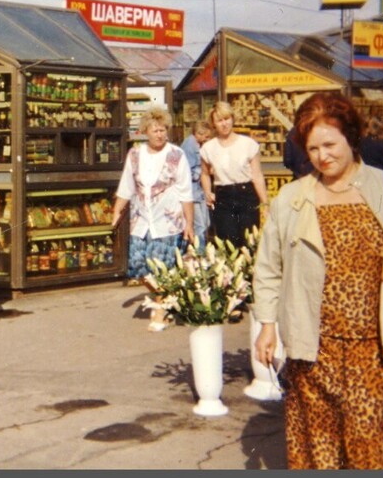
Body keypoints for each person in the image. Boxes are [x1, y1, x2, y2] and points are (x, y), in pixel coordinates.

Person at [252, 92, 383, 470]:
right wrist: (266, 327)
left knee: (366, 442)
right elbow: (268, 268)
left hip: (370, 346)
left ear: (351, 137)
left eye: (330, 144)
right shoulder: (291, 199)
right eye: (312, 148)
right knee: (317, 446)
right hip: (312, 344)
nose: (322, 156)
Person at [113, 107, 194, 331]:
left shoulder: (177, 155)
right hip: (140, 222)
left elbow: (186, 193)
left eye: (163, 130)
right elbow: (126, 186)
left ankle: (160, 312)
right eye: (155, 130)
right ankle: (169, 298)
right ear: (145, 131)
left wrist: (189, 224)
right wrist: (116, 211)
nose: (160, 134)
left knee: (161, 269)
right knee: (139, 268)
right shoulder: (135, 154)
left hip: (167, 223)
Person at [200, 101, 268, 250]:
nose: (224, 124)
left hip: (247, 195)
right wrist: (207, 192)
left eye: (227, 119)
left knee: (249, 241)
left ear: (232, 119)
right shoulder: (208, 148)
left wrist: (265, 203)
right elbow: (204, 174)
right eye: (219, 120)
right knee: (227, 243)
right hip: (223, 197)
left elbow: (257, 175)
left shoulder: (248, 144)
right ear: (214, 124)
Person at [180, 120, 212, 250]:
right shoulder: (190, 145)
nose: (207, 139)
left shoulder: (196, 144)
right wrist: (205, 171)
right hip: (193, 193)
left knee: (205, 223)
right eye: (206, 136)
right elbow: (188, 172)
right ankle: (200, 252)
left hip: (198, 192)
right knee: (200, 225)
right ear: (199, 133)